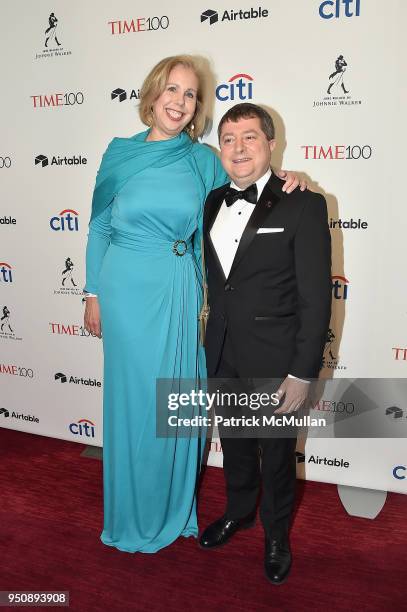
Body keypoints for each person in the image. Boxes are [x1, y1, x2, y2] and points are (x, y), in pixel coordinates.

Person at [83, 56, 304, 554]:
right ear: (152, 94)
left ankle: (169, 508)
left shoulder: (203, 159)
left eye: (190, 94)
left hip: (179, 290)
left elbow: (242, 192)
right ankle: (130, 511)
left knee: (172, 403)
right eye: (172, 90)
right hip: (123, 288)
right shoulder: (118, 153)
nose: (180, 102)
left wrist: (289, 183)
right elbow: (98, 225)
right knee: (132, 403)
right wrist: (92, 292)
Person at [199, 103, 332, 584]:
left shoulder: (303, 202)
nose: (238, 148)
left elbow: (317, 300)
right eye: (229, 139)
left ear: (271, 144)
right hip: (222, 350)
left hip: (278, 359)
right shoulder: (211, 200)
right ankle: (240, 511)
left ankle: (277, 534)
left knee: (277, 454)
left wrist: (302, 373)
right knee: (233, 443)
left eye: (250, 137)